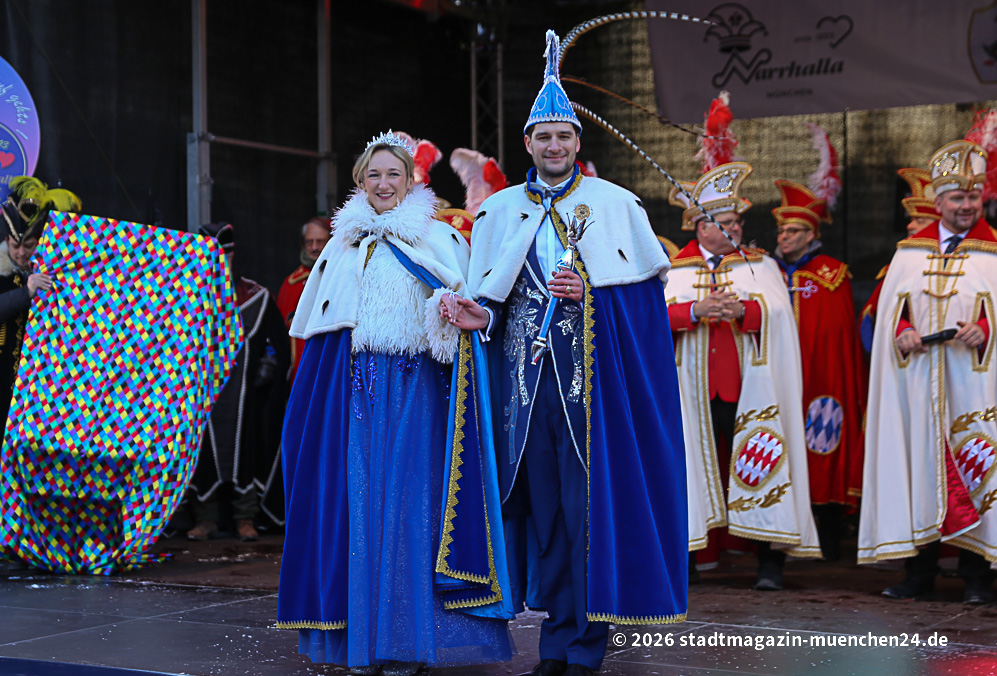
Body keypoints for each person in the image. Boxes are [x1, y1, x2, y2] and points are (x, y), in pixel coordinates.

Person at [441, 30, 688, 676]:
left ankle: (582, 646)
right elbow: (489, 297)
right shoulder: (496, 212)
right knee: (541, 519)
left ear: (579, 143)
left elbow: (643, 313)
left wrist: (592, 296)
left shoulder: (616, 207)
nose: (553, 146)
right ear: (526, 144)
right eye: (542, 137)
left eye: (564, 136)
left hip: (590, 395)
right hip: (523, 396)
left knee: (585, 519)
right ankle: (555, 639)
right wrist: (476, 313)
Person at [276, 131, 513, 675]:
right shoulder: (340, 247)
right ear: (360, 181)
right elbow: (322, 330)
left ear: (411, 181)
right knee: (358, 508)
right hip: (356, 392)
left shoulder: (439, 238)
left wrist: (447, 314)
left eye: (394, 175)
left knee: (411, 510)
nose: (384, 184)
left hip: (417, 392)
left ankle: (406, 641)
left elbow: (464, 315)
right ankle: (361, 640)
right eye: (374, 175)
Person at [666, 162, 821, 591]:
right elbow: (653, 321)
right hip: (693, 392)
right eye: (725, 222)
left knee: (764, 459)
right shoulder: (674, 270)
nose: (736, 228)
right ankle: (690, 562)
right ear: (701, 227)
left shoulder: (759, 266)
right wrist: (692, 312)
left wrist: (744, 311)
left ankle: (770, 563)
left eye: (737, 221)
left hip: (748, 391)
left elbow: (777, 317)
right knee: (688, 470)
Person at [859, 140, 997, 605]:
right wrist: (899, 330)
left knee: (978, 468)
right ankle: (919, 573)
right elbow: (885, 309)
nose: (966, 205)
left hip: (975, 387)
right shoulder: (908, 254)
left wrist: (983, 328)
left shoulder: (994, 253)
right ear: (938, 203)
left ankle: (978, 576)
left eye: (973, 197)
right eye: (957, 198)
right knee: (919, 469)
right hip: (917, 382)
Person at [771, 180, 866, 561]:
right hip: (777, 381)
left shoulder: (833, 275)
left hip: (821, 382)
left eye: (793, 231)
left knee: (821, 448)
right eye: (781, 230)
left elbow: (837, 336)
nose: (785, 237)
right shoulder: (764, 270)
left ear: (812, 234)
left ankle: (827, 540)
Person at [187, 222, 290, 541]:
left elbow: (277, 341)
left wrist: (270, 362)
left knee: (246, 451)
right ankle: (205, 519)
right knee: (202, 454)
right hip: (201, 395)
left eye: (223, 257)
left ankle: (245, 516)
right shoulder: (184, 299)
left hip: (245, 395)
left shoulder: (254, 296)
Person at [0, 177, 78, 573]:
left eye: (29, 246)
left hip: (32, 396)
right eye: (16, 245)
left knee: (27, 471)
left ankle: (24, 545)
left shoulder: (50, 272)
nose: (21, 252)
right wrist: (25, 292)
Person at [859, 167, 939, 352]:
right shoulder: (898, 264)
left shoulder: (974, 262)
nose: (910, 226)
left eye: (920, 221)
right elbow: (878, 316)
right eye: (911, 219)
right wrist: (902, 328)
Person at [277, 217, 332, 382]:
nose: (314, 247)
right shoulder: (290, 284)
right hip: (299, 372)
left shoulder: (341, 278)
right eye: (309, 242)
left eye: (320, 241)